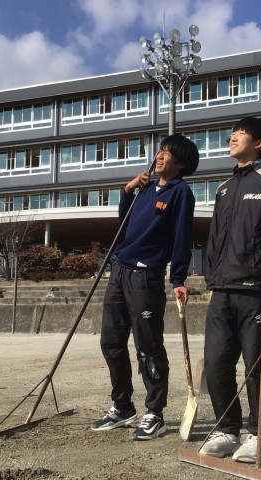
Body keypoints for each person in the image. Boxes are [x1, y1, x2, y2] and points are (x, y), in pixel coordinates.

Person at [199, 117, 261, 463]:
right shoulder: (224, 188)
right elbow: (214, 239)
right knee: (215, 363)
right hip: (221, 288)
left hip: (256, 287)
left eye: (239, 134)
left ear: (258, 143)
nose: (232, 138)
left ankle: (260, 436)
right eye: (231, 134)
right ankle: (227, 430)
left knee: (256, 365)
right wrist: (211, 281)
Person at [90, 134, 199, 441]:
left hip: (146, 277)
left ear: (181, 163)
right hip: (119, 271)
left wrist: (178, 278)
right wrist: (127, 191)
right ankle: (122, 406)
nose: (159, 156)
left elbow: (181, 237)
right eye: (159, 151)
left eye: (167, 153)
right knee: (111, 342)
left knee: (148, 348)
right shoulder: (145, 188)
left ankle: (155, 413)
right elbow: (125, 225)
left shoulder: (181, 193)